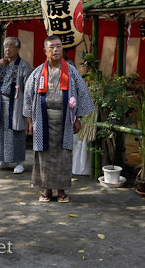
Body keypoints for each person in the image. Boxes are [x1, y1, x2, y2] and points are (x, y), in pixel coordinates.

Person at [23, 35, 95, 203]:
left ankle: (62, 191)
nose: (56, 50)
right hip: (42, 119)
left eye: (59, 46)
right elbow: (28, 95)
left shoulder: (71, 71)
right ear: (45, 51)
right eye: (52, 47)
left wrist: (79, 118)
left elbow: (83, 94)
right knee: (44, 154)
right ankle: (47, 190)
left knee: (64, 155)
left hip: (65, 120)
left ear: (63, 49)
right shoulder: (38, 73)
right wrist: (30, 122)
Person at [0, 37, 32, 174]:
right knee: (1, 132)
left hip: (17, 103)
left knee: (16, 132)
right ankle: (3, 160)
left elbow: (29, 89)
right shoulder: (1, 64)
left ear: (17, 49)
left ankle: (19, 162)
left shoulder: (24, 65)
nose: (7, 49)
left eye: (11, 46)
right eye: (5, 46)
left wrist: (28, 108)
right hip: (1, 103)